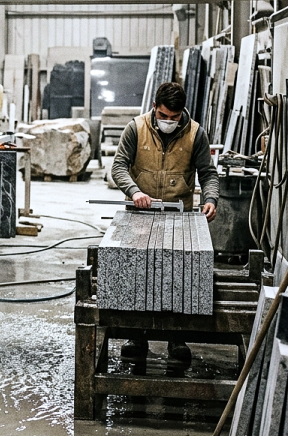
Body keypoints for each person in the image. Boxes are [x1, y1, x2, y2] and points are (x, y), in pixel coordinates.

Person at [111, 81, 219, 363]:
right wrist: (134, 192)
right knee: (138, 275)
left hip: (178, 217)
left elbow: (208, 174)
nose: (169, 122)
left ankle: (176, 339)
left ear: (182, 111)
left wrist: (211, 199)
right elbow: (119, 166)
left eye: (174, 117)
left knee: (177, 276)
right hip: (140, 215)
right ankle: (137, 336)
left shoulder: (196, 133)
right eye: (163, 116)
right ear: (154, 108)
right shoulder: (136, 128)